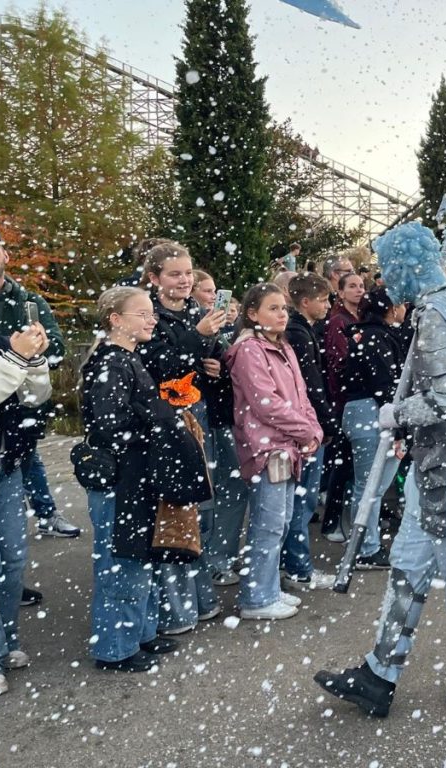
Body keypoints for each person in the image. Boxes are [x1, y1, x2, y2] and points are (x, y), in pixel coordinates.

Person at [314, 222, 446, 716]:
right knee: (408, 567)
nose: (385, 281)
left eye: (390, 269)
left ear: (408, 266)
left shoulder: (438, 311)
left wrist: (399, 413)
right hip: (440, 468)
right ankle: (380, 672)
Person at [79, 286, 182, 673]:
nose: (151, 319)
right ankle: (114, 648)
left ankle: (141, 632)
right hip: (119, 478)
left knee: (138, 556)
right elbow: (111, 426)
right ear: (116, 320)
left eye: (151, 313)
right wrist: (157, 423)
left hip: (134, 476)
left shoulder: (126, 359)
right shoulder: (110, 363)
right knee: (120, 561)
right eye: (142, 314)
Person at [138, 242, 226, 634]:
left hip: (198, 411)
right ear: (155, 279)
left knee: (203, 506)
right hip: (167, 420)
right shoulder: (149, 315)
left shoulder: (195, 311)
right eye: (175, 274)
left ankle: (200, 597)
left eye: (188, 273)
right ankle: (175, 609)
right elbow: (157, 365)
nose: (185, 280)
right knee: (175, 509)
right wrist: (196, 337)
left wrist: (213, 362)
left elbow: (199, 356)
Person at [225, 283, 322, 621]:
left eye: (283, 308)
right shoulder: (249, 350)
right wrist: (305, 429)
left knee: (279, 521)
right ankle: (256, 596)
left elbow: (300, 395)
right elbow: (266, 404)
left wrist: (312, 428)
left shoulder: (282, 346)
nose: (282, 314)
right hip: (266, 447)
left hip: (287, 445)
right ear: (252, 314)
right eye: (273, 308)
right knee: (267, 524)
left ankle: (267, 587)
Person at [0, 226, 75, 546]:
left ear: (5, 256)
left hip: (21, 405)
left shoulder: (28, 301)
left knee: (25, 457)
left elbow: (57, 351)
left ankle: (45, 516)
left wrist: (33, 351)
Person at [0, 311, 50, 696]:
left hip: (5, 466)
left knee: (13, 560)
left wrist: (34, 359)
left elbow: (33, 396)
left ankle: (5, 642)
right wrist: (15, 358)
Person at [339, 287, 409, 569]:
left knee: (370, 486)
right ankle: (365, 548)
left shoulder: (366, 334)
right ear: (390, 308)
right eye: (401, 304)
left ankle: (364, 543)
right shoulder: (377, 337)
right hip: (373, 413)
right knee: (369, 487)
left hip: (365, 411)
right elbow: (385, 385)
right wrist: (400, 427)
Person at [191, 272, 248, 587]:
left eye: (216, 291)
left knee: (233, 488)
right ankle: (209, 559)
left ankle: (221, 552)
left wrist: (223, 369)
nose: (213, 297)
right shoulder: (188, 326)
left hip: (225, 415)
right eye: (207, 290)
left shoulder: (227, 328)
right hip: (203, 417)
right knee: (210, 492)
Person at [281, 273, 336, 591]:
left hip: (305, 422)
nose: (328, 305)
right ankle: (298, 567)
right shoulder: (300, 335)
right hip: (307, 425)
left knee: (298, 501)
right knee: (301, 500)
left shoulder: (302, 332)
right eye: (323, 299)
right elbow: (311, 384)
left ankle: (292, 564)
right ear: (305, 302)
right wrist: (326, 423)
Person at [320, 271, 365, 542]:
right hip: (344, 399)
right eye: (352, 286)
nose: (358, 290)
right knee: (343, 463)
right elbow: (338, 361)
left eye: (361, 285)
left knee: (352, 464)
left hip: (354, 397)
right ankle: (332, 521)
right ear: (341, 291)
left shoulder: (360, 318)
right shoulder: (339, 321)